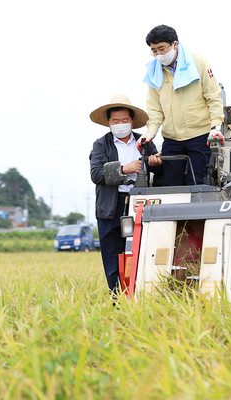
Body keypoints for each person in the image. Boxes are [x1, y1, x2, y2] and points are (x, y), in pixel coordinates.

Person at [89, 94, 162, 294]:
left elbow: (158, 171)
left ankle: (141, 294)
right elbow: (96, 174)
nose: (120, 124)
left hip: (140, 205)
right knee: (113, 255)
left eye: (124, 120)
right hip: (111, 207)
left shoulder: (145, 142)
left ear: (131, 121)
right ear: (109, 123)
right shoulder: (101, 145)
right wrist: (124, 169)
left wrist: (156, 163)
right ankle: (117, 298)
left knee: (142, 252)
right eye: (115, 121)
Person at [140, 24, 225, 186]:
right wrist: (150, 133)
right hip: (172, 138)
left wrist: (215, 128)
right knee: (170, 186)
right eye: (154, 50)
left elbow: (213, 98)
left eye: (162, 49)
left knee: (198, 184)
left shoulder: (198, 62)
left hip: (200, 136)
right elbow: (155, 109)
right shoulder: (153, 72)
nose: (158, 54)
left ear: (175, 44)